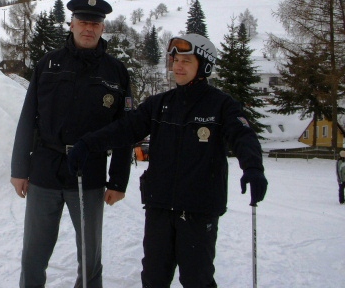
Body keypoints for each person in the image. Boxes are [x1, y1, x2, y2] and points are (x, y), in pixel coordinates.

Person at [68, 33, 268, 288]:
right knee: (153, 278)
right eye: (174, 60)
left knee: (197, 279)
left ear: (204, 66)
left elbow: (243, 136)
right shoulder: (159, 104)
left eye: (186, 60)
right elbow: (124, 129)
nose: (178, 66)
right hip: (160, 207)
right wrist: (87, 143)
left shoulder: (221, 105)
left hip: (198, 209)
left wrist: (253, 167)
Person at [10, 0, 133, 288]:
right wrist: (19, 168)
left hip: (89, 173)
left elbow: (125, 129)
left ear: (103, 28)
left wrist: (118, 180)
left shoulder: (116, 72)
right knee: (34, 254)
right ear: (71, 24)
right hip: (44, 170)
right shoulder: (48, 64)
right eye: (83, 22)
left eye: (95, 23)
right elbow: (28, 118)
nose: (88, 28)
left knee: (90, 255)